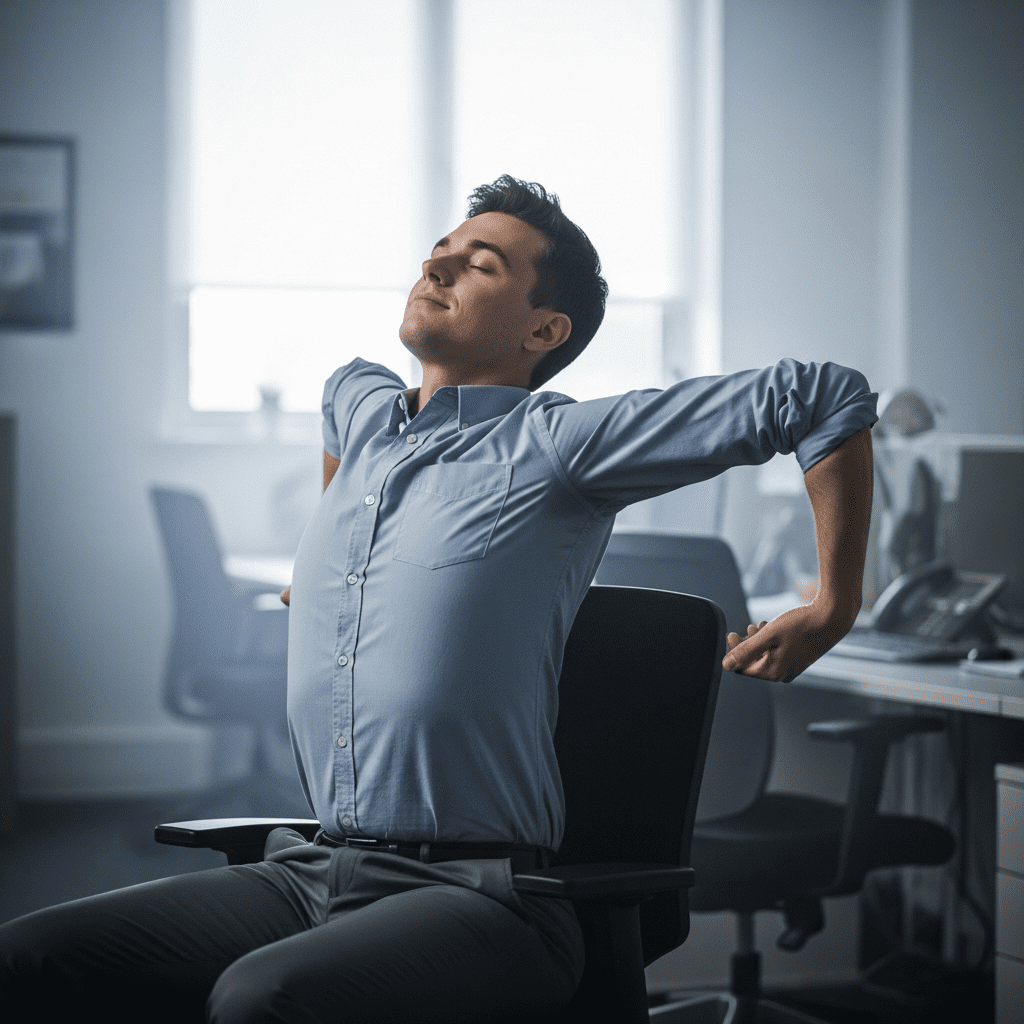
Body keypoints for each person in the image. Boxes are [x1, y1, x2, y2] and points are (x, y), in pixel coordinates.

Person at [0, 175, 876, 1022]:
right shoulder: (365, 409)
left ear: (545, 328)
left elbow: (821, 396)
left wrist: (835, 604)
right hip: (311, 868)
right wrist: (335, 541)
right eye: (440, 251)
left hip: (488, 897)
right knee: (29, 958)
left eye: (482, 263)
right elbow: (341, 396)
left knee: (258, 1001)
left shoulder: (556, 444)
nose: (439, 267)